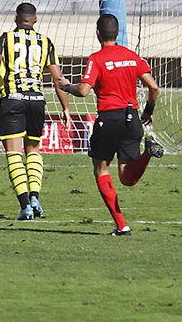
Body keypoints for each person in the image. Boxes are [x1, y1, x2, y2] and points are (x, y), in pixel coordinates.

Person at [56, 13, 165, 236]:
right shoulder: (131, 56)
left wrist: (67, 86)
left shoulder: (97, 59)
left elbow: (84, 91)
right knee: (127, 178)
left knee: (101, 169)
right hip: (131, 118)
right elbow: (154, 87)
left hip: (108, 119)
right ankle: (147, 154)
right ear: (117, 33)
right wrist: (148, 111)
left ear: (98, 33)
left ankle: (122, 225)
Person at [0, 2, 72, 220]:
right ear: (35, 19)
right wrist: (66, 107)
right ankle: (35, 198)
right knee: (33, 150)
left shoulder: (5, 39)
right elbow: (58, 78)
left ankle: (25, 207)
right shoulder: (46, 42)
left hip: (13, 100)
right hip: (37, 101)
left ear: (15, 19)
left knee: (13, 153)